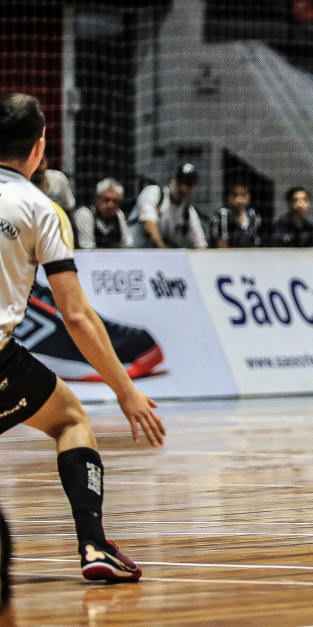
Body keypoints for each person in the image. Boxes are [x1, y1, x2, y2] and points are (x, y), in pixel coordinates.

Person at [0, 93, 165, 582]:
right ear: (39, 149)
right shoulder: (39, 208)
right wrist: (126, 389)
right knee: (71, 419)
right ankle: (94, 547)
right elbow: (75, 315)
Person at [128, 163, 207, 248]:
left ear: (193, 187)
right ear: (173, 179)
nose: (183, 188)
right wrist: (165, 253)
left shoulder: (188, 211)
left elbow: (200, 243)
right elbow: (149, 226)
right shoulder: (153, 192)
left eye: (188, 184)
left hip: (154, 255)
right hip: (131, 251)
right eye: (180, 181)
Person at [30, 153, 77, 248]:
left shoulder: (59, 180)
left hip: (57, 238)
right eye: (34, 163)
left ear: (47, 162)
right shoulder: (21, 186)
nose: (38, 167)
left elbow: (70, 215)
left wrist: (76, 244)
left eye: (41, 162)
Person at [73, 178, 133, 249]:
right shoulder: (85, 214)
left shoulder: (119, 215)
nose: (110, 205)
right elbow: (86, 248)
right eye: (106, 200)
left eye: (115, 201)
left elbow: (128, 244)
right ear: (97, 198)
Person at [208, 182, 261, 248]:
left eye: (243, 195)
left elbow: (255, 241)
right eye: (235, 195)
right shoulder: (223, 215)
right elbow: (221, 243)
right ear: (228, 197)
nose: (239, 200)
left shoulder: (252, 215)